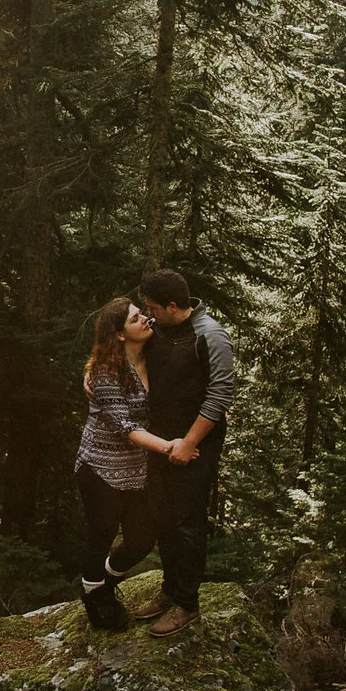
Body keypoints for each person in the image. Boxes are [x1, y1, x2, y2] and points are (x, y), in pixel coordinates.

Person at [133, 267, 236, 636]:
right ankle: (168, 591)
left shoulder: (210, 336)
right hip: (159, 440)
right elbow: (124, 349)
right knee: (161, 515)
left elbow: (221, 394)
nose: (148, 313)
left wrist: (189, 443)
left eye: (153, 307)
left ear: (173, 306)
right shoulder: (157, 328)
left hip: (197, 444)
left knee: (187, 520)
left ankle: (187, 604)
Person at [74, 297, 176, 631]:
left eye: (143, 313)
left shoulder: (154, 350)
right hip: (100, 468)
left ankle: (103, 581)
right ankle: (95, 598)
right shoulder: (105, 371)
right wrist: (173, 447)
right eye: (136, 319)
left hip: (136, 470)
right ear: (119, 334)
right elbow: (128, 429)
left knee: (141, 540)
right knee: (100, 535)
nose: (146, 319)